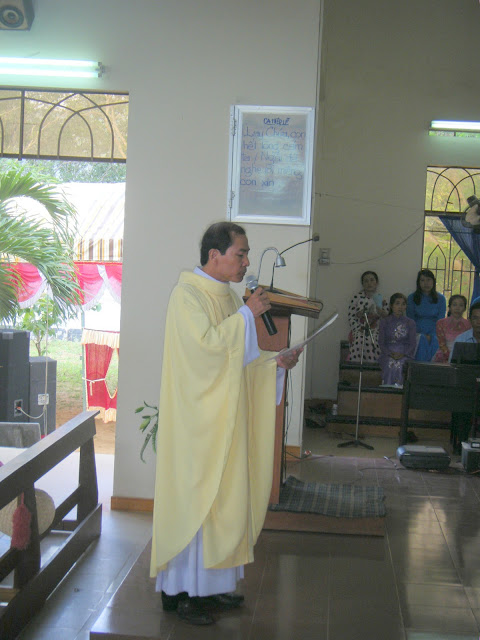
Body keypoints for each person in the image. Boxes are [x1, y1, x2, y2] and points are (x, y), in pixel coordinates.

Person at [149, 221, 301, 626]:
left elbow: (241, 363)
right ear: (214, 255)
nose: (246, 262)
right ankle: (182, 593)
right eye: (241, 254)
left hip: (224, 422)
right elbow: (205, 353)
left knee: (223, 503)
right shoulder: (186, 296)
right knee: (197, 504)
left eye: (246, 254)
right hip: (197, 426)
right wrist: (247, 315)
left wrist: (275, 364)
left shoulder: (230, 298)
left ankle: (212, 587)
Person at [448, 301, 480, 451]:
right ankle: (461, 445)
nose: (479, 322)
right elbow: (452, 366)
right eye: (475, 318)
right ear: (470, 319)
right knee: (462, 403)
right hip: (466, 387)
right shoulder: (461, 339)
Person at [347, 271, 388, 362]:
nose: (369, 283)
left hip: (376, 330)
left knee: (375, 339)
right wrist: (358, 328)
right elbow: (351, 317)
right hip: (360, 329)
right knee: (361, 339)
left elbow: (387, 318)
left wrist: (380, 312)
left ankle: (374, 365)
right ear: (362, 284)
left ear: (376, 282)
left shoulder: (381, 298)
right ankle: (358, 365)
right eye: (366, 281)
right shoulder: (357, 298)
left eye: (372, 280)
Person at [406, 269, 446, 361]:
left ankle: (433, 368)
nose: (426, 283)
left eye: (428, 280)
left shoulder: (441, 298)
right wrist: (420, 334)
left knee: (436, 340)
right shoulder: (411, 298)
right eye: (422, 280)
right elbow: (410, 320)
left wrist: (432, 335)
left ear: (433, 281)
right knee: (421, 340)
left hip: (435, 331)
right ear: (418, 282)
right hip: (417, 331)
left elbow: (441, 320)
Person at [378, 293, 416, 388]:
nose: (400, 307)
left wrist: (403, 354)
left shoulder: (410, 323)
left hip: (405, 354)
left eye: (403, 304)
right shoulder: (384, 322)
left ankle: (400, 390)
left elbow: (412, 344)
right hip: (388, 353)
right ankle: (387, 388)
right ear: (391, 306)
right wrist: (390, 353)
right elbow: (381, 343)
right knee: (390, 363)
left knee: (400, 364)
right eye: (397, 303)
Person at [434, 294, 470, 362]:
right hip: (443, 356)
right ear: (449, 307)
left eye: (461, 305)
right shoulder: (441, 323)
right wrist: (451, 357)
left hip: (463, 357)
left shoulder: (469, 325)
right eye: (454, 305)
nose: (457, 308)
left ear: (465, 308)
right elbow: (441, 344)